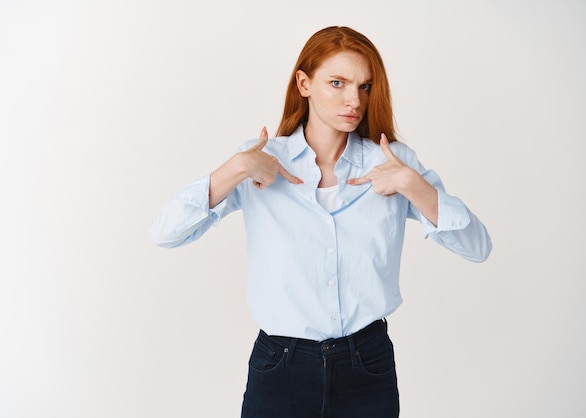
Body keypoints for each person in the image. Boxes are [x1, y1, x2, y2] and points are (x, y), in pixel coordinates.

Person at [150, 26, 492, 418]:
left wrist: (412, 186)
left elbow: (478, 247)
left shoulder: (393, 163)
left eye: (364, 87)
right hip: (280, 367)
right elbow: (165, 233)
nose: (354, 100)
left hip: (368, 366)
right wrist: (237, 168)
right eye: (337, 82)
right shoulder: (261, 161)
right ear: (304, 83)